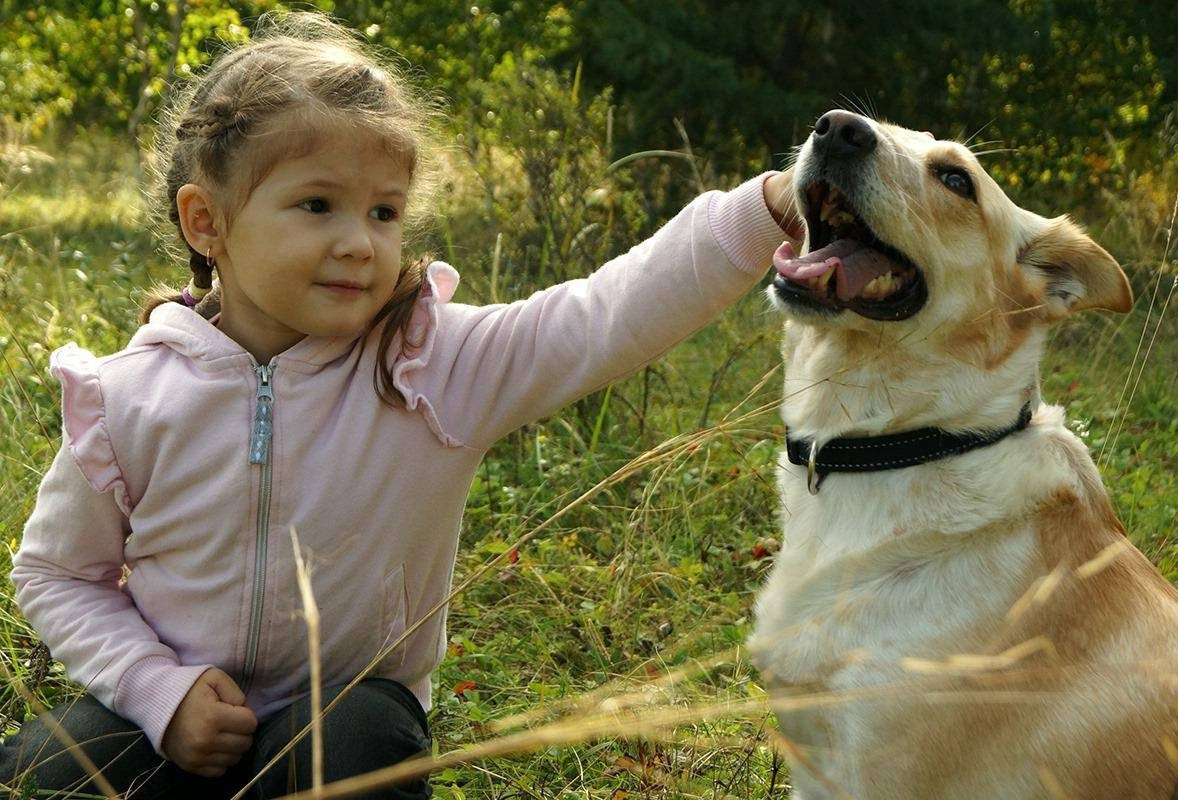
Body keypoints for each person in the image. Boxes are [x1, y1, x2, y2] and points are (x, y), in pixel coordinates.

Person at [2, 10, 801, 800]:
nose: (360, 242)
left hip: (342, 720)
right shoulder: (128, 396)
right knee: (42, 766)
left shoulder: (431, 364)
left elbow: (602, 317)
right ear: (206, 221)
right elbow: (56, 573)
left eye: (384, 212)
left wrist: (763, 209)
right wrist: (153, 690)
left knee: (357, 742)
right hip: (170, 726)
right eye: (318, 205)